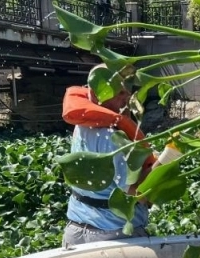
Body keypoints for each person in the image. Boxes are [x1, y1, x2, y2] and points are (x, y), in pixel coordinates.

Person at [61, 65, 156, 247]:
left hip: (76, 231)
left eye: (127, 92)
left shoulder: (82, 125)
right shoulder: (112, 137)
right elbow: (138, 194)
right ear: (97, 96)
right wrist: (167, 159)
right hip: (113, 235)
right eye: (120, 93)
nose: (127, 97)